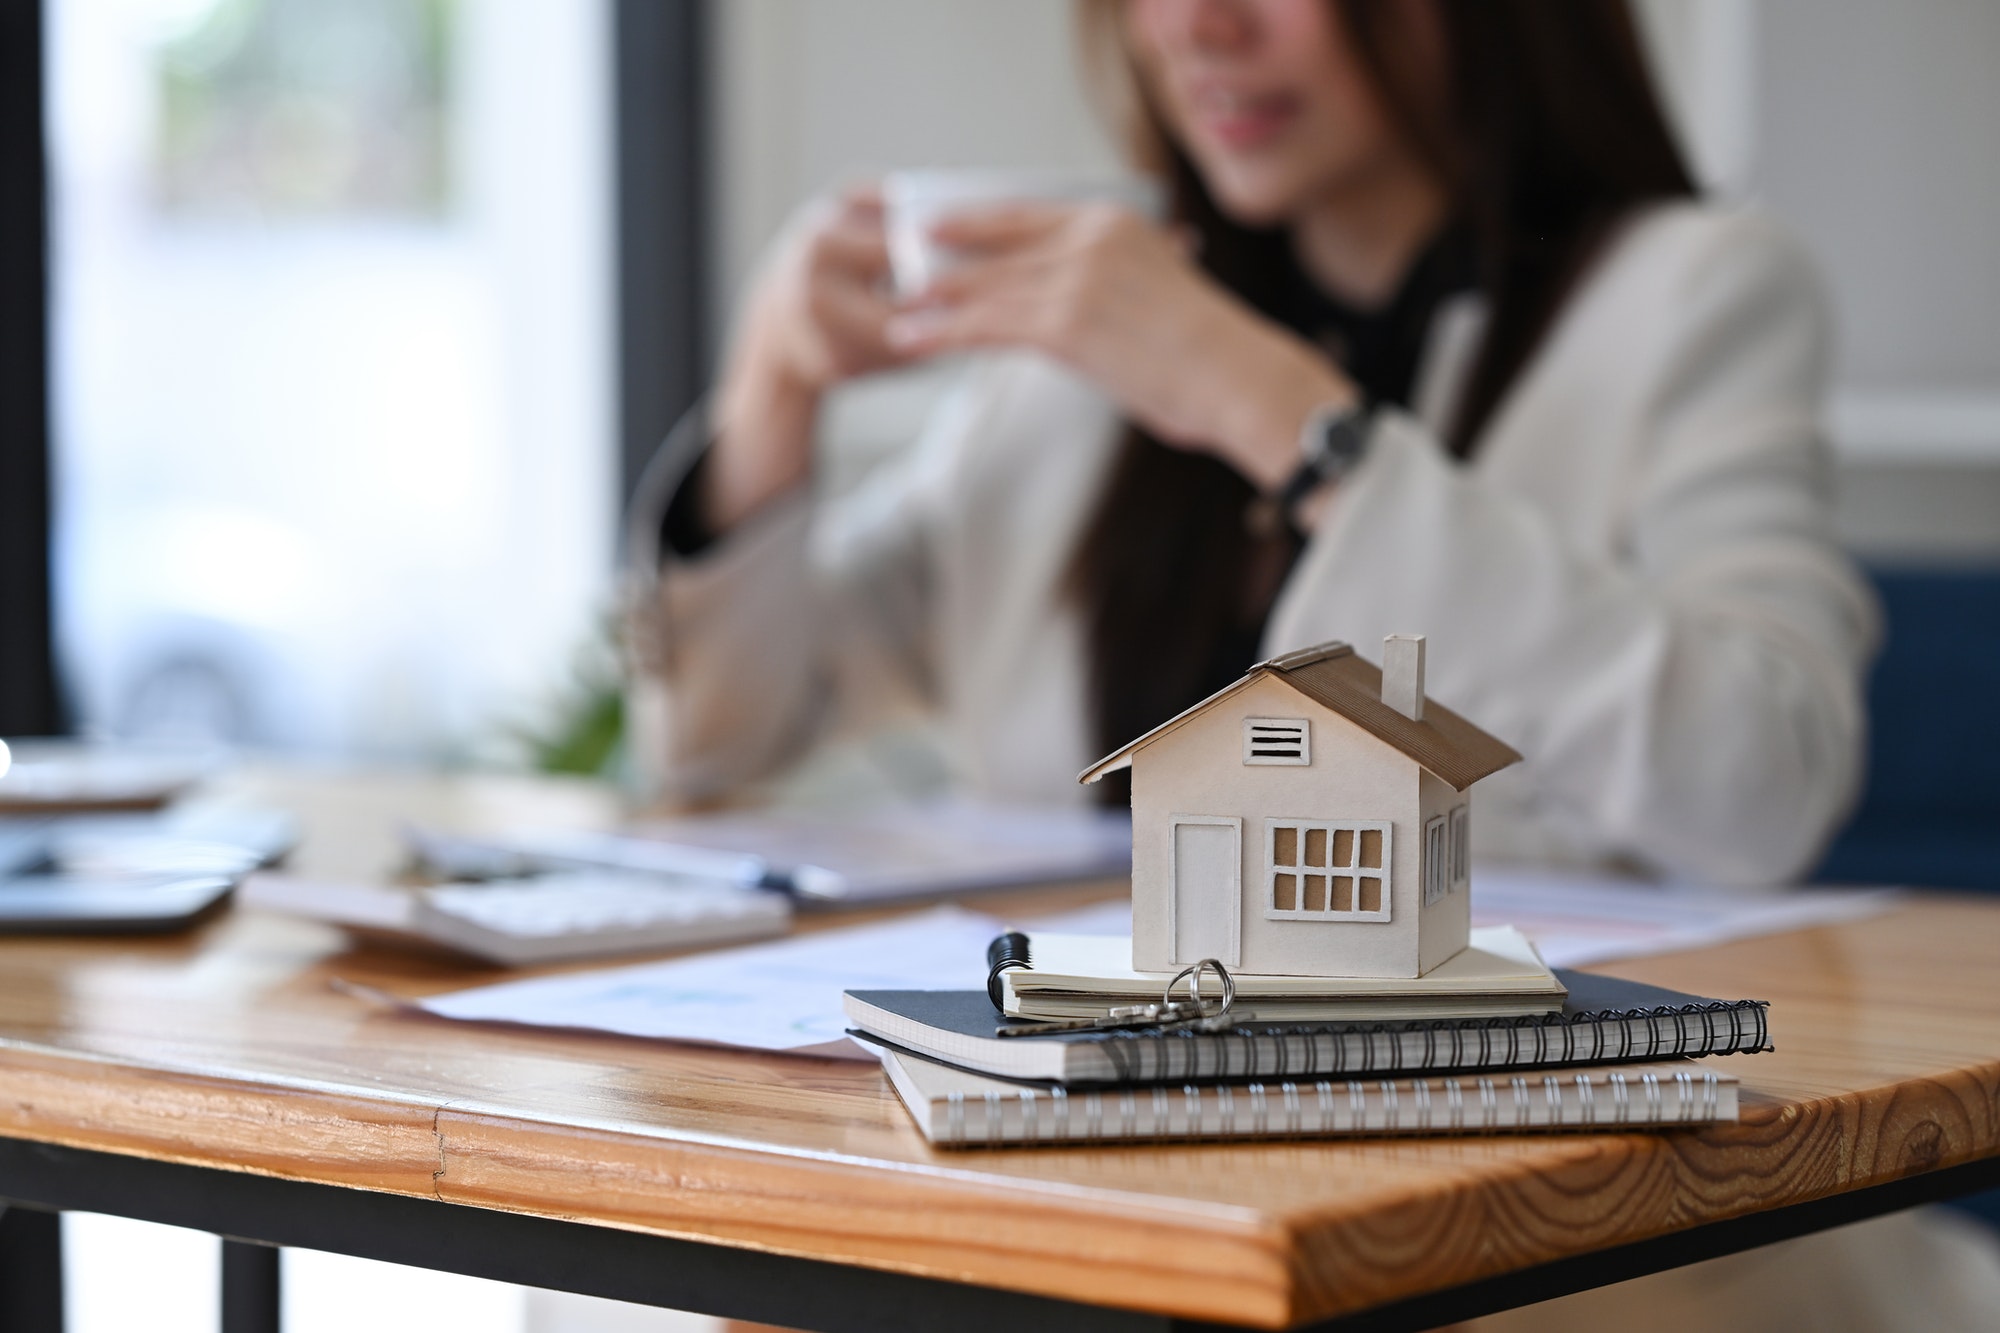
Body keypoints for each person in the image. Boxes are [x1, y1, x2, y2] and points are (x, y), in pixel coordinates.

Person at [633, 3, 2000, 1328]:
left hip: (1562, 1225)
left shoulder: (1694, 294)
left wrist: (1277, 409)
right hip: (1086, 1185)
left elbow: (1757, 783)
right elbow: (722, 735)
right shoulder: (1085, 346)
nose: (1195, 25)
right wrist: (773, 391)